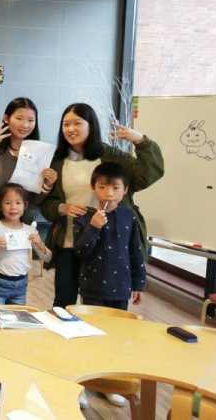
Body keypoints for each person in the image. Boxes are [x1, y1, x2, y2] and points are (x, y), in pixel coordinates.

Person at [41, 103, 163, 309]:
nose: (70, 129)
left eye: (77, 123)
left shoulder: (110, 155)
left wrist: (140, 141)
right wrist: (61, 208)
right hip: (71, 240)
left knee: (102, 307)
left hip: (108, 243)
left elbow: (147, 174)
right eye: (66, 124)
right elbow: (45, 203)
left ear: (91, 125)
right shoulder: (56, 161)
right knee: (63, 302)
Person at [0, 97, 57, 304]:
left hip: (15, 237)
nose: (25, 125)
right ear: (6, 118)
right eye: (19, 118)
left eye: (30, 120)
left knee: (11, 301)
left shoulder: (40, 157)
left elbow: (33, 200)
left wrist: (48, 184)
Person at [74, 162, 146, 310]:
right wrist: (93, 227)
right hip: (93, 288)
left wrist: (138, 284)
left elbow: (136, 251)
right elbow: (80, 251)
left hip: (121, 288)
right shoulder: (84, 216)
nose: (109, 193)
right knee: (93, 323)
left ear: (125, 189)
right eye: (102, 187)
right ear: (93, 187)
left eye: (116, 188)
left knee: (117, 323)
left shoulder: (129, 216)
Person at [0, 184, 51, 306]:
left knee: (18, 315)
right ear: (0, 206)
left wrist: (40, 244)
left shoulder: (30, 230)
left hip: (21, 284)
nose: (13, 207)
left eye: (18, 203)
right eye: (7, 203)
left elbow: (47, 258)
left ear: (25, 205)